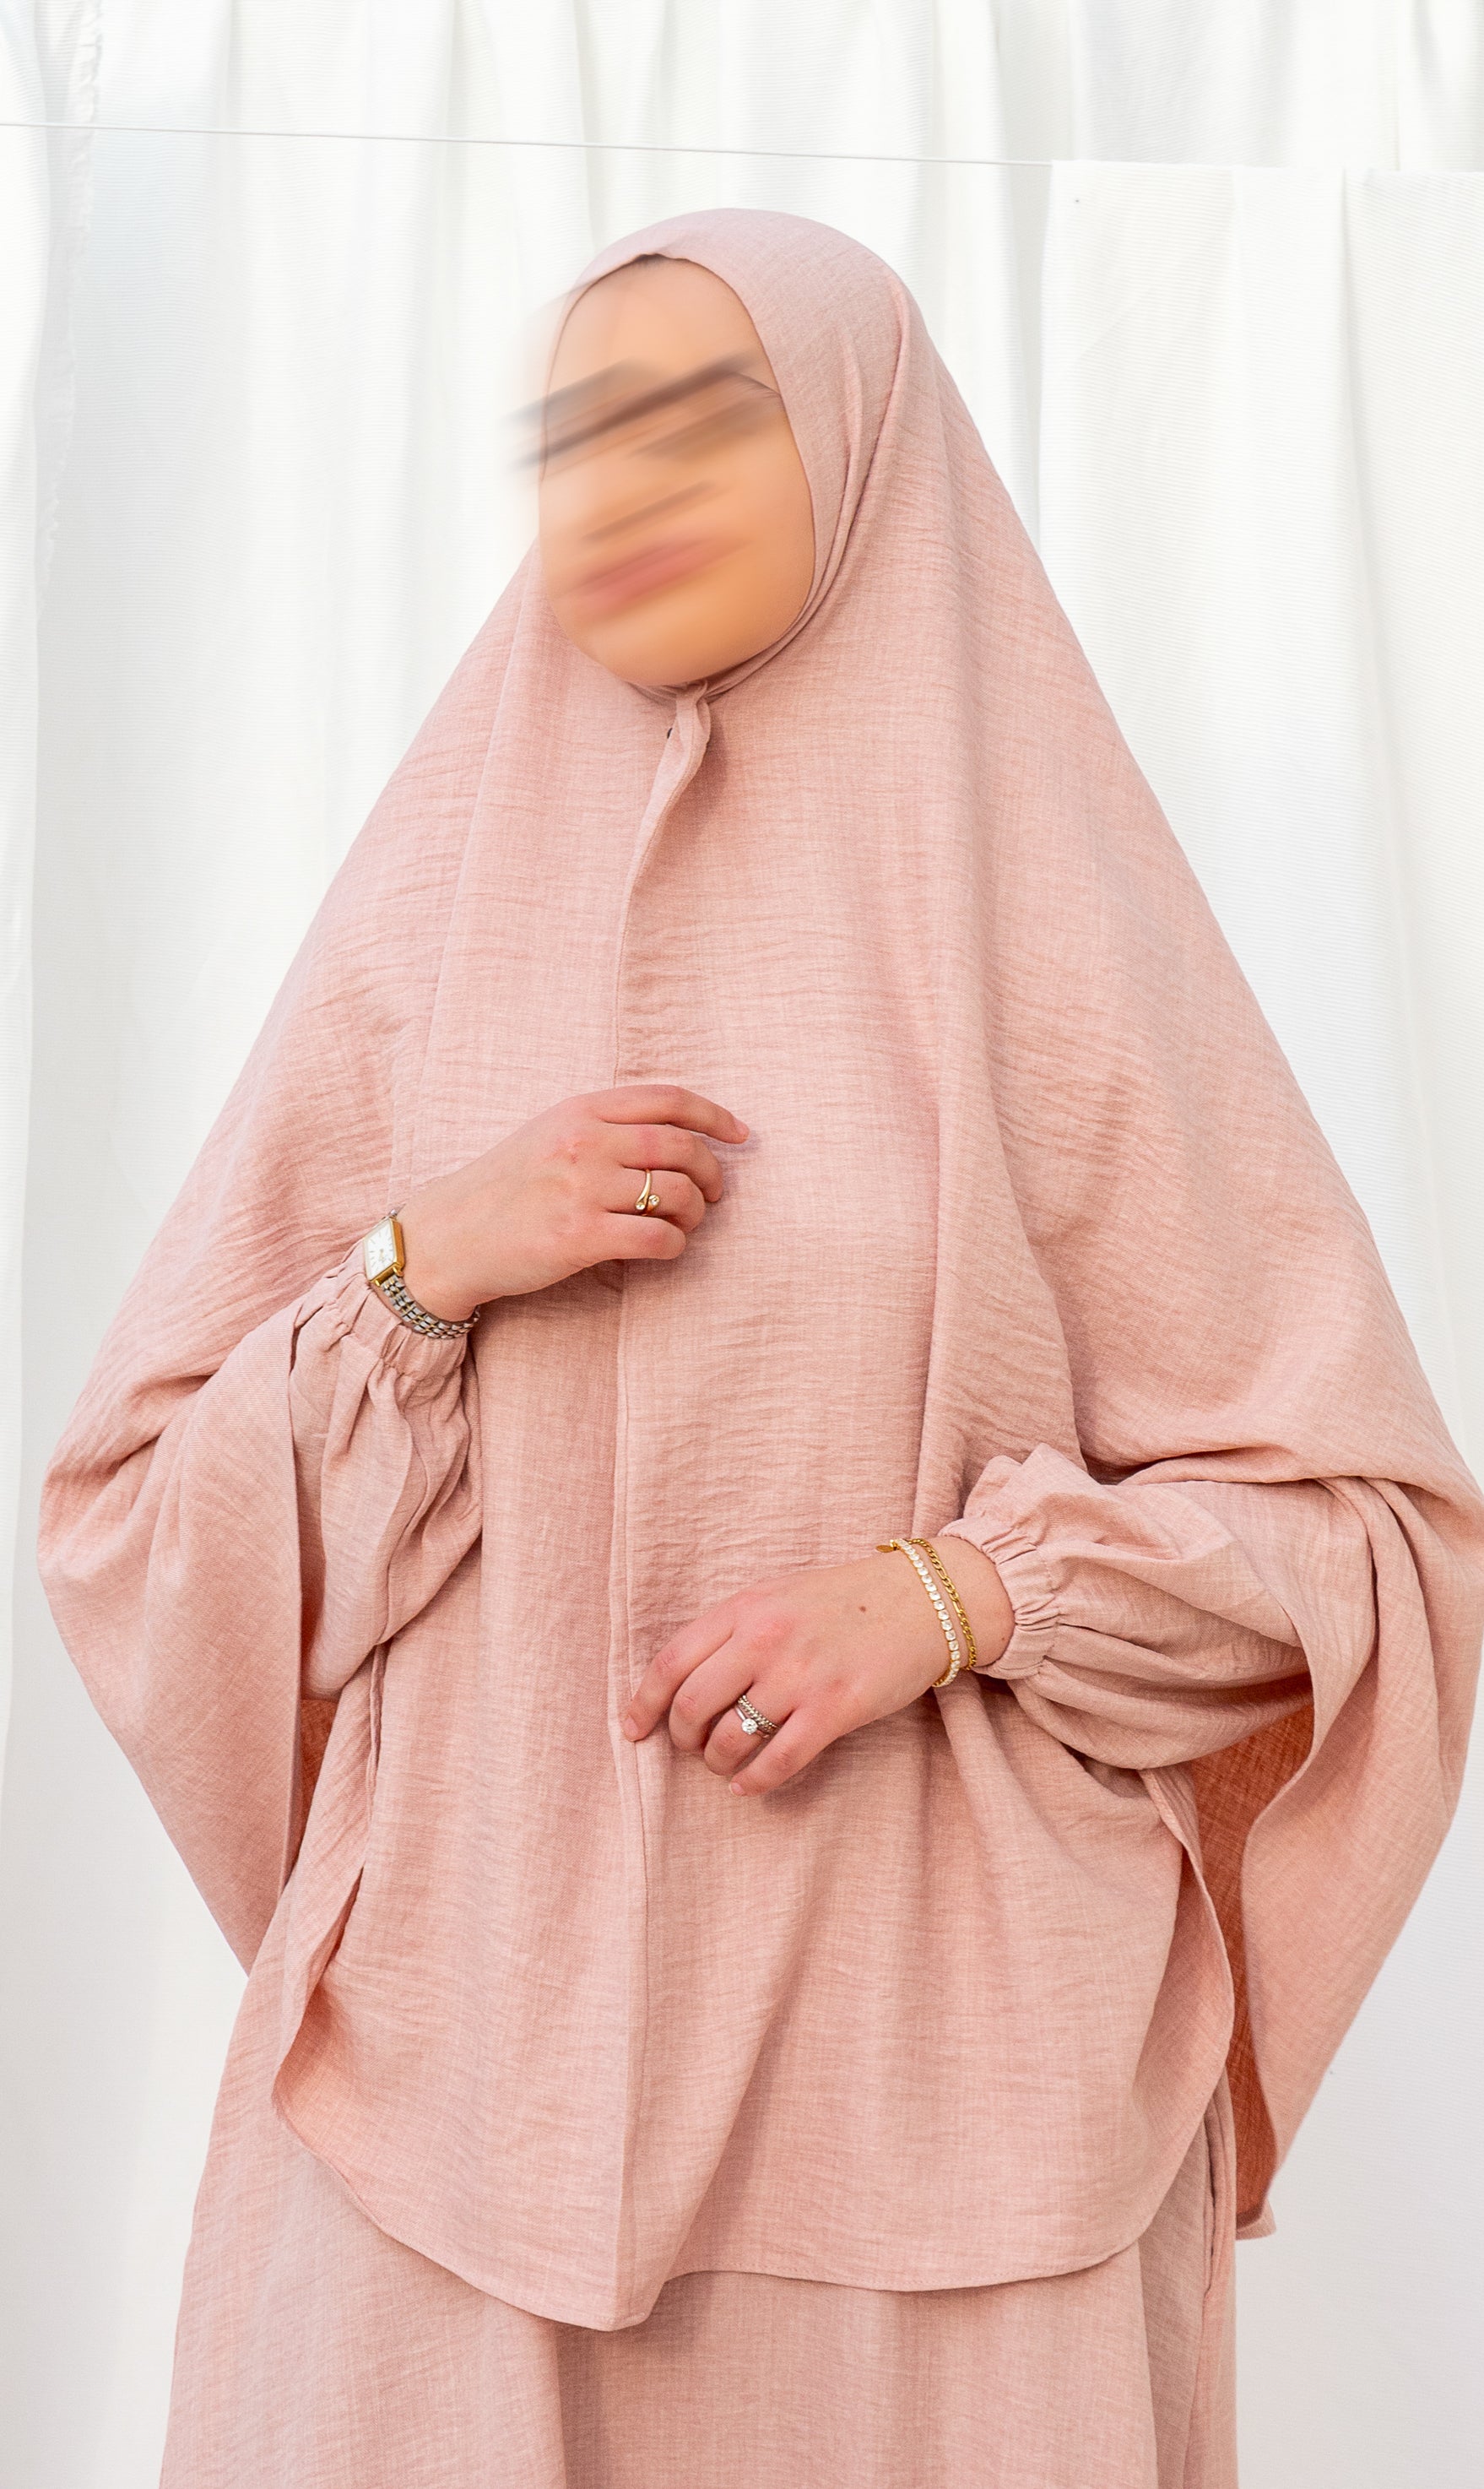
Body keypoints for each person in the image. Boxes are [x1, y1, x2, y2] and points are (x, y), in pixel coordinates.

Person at [36, 208, 1484, 2488]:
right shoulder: (433, 913)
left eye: (698, 421)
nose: (618, 487)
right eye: (573, 434)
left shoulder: (1060, 938)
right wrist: (426, 1266)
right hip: (460, 2108)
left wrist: (958, 1595)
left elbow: (1370, 1546)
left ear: (863, 448)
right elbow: (137, 1514)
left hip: (948, 2129)